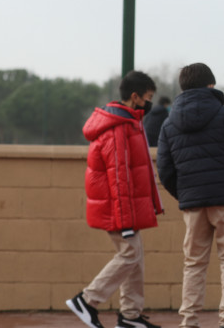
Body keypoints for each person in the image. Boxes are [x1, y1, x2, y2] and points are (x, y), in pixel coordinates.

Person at [157, 63, 224, 328]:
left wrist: (184, 195)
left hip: (192, 203)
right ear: (210, 85)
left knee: (194, 263)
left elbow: (164, 168)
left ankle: (189, 320)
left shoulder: (169, 123)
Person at [66, 70, 164, 328]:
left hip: (123, 208)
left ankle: (130, 316)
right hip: (119, 210)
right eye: (148, 97)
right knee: (130, 255)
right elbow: (119, 177)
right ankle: (87, 301)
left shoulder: (128, 122)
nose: (149, 103)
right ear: (135, 97)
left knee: (135, 257)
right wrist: (126, 220)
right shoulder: (118, 128)